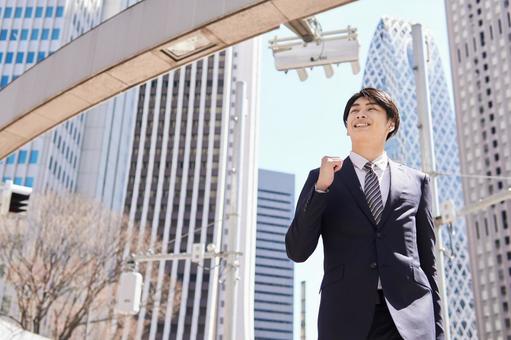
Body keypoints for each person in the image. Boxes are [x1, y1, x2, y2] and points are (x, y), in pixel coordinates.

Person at [285, 88, 444, 340]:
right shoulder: (322, 178)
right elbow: (297, 250)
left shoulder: (416, 181)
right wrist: (321, 190)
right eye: (354, 111)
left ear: (390, 124)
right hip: (344, 316)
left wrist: (439, 332)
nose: (360, 114)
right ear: (347, 127)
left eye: (371, 109)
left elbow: (428, 264)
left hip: (411, 318)